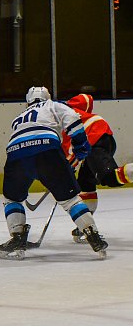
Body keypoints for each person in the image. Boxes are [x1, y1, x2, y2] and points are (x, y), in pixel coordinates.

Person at [0, 86, 108, 260]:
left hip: (16, 155)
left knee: (12, 198)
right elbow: (73, 120)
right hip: (47, 151)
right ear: (47, 97)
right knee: (70, 200)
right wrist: (80, 146)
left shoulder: (18, 117)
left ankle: (17, 237)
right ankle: (93, 235)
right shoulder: (53, 105)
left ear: (28, 101)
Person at [62, 94, 133, 242]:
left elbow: (69, 149)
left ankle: (85, 226)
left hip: (94, 139)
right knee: (85, 183)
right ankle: (84, 227)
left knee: (110, 177)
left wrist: (63, 169)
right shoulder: (75, 112)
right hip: (101, 138)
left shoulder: (62, 116)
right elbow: (86, 98)